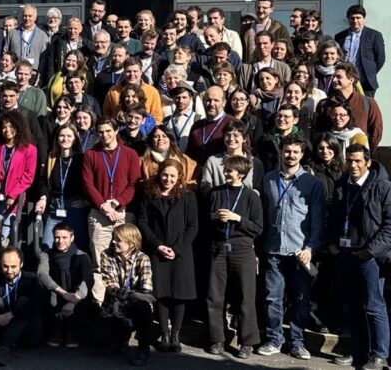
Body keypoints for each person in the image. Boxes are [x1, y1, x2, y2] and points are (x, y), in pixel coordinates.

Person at [254, 134, 325, 360]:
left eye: (295, 152)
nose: (290, 155)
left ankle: (297, 342)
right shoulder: (268, 179)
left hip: (299, 252)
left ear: (302, 154)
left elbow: (317, 220)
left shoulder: (312, 183)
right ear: (281, 152)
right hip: (273, 248)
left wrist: (310, 248)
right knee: (272, 298)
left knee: (300, 299)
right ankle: (274, 339)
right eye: (287, 151)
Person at [327, 145, 391, 368]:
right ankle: (359, 353)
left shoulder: (382, 187)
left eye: (357, 161)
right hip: (344, 254)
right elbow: (333, 217)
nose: (353, 165)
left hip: (369, 257)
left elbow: (389, 225)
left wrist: (370, 251)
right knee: (353, 307)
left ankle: (379, 355)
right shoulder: (342, 185)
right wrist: (332, 244)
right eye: (349, 161)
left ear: (368, 163)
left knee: (374, 306)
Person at [135, 158, 198, 353]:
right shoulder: (149, 195)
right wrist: (157, 245)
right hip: (157, 250)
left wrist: (176, 249)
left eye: (172, 176)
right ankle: (164, 332)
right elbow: (142, 222)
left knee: (179, 293)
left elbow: (192, 226)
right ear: (159, 174)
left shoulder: (188, 196)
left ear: (179, 176)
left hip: (181, 252)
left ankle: (175, 334)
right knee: (160, 293)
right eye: (165, 175)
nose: (168, 179)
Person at [204, 155, 263, 358]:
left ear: (241, 173)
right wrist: (214, 217)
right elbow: (203, 221)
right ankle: (216, 339)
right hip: (218, 247)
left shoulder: (251, 197)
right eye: (226, 170)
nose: (226, 173)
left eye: (230, 170)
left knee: (246, 296)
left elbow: (258, 228)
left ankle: (247, 342)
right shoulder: (215, 193)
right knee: (214, 295)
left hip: (242, 248)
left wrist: (238, 218)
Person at [82, 118, 140, 303]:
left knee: (125, 260)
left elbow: (133, 184)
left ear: (116, 131)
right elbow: (88, 184)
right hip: (99, 214)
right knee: (99, 263)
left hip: (121, 212)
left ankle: (123, 303)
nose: (104, 135)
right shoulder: (91, 154)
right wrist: (103, 205)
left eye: (108, 131)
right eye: (101, 132)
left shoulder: (130, 154)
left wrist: (118, 202)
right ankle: (99, 304)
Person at [98, 224, 155, 366]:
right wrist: (134, 295)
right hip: (114, 303)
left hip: (133, 305)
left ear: (131, 242)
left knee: (144, 308)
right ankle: (121, 337)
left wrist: (133, 298)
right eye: (113, 238)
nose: (113, 242)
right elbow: (111, 287)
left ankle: (143, 350)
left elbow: (146, 290)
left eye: (118, 240)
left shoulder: (143, 258)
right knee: (99, 340)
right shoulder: (106, 255)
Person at [0, 247, 43, 366]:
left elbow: (36, 305)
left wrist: (10, 315)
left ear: (21, 264)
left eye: (13, 267)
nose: (9, 271)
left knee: (24, 302)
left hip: (27, 332)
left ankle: (4, 348)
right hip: (0, 326)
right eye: (5, 266)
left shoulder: (32, 280)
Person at [0, 110, 37, 240]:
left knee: (5, 237)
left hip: (13, 199)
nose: (7, 130)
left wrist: (12, 195)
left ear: (18, 127)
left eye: (11, 126)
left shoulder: (30, 149)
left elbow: (28, 177)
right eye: (4, 127)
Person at [38, 223, 94, 348]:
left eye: (64, 237)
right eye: (57, 237)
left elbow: (88, 279)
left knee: (85, 291)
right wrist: (62, 293)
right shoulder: (47, 254)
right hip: (56, 293)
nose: (60, 241)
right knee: (45, 289)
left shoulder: (82, 255)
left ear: (72, 238)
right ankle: (56, 329)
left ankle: (71, 331)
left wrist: (74, 300)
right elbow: (42, 274)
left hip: (75, 296)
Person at [35, 124, 89, 250]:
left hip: (74, 207)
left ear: (74, 138)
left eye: (69, 136)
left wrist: (86, 202)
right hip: (55, 207)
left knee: (78, 248)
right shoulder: (51, 158)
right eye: (62, 136)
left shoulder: (81, 159)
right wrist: (43, 198)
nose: (65, 139)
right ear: (57, 138)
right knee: (46, 247)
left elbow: (89, 182)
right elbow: (44, 181)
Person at [334, 5, 385, 96]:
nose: (355, 21)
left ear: (364, 18)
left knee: (365, 104)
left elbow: (380, 59)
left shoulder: (374, 35)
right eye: (352, 18)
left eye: (358, 18)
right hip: (345, 79)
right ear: (348, 19)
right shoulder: (340, 37)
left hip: (366, 82)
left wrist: (369, 72)